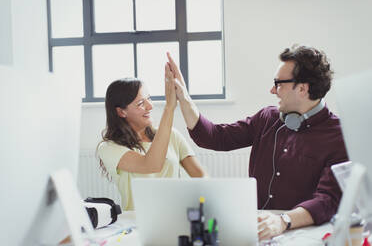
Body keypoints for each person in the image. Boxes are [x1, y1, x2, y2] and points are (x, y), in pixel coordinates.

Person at [165, 45, 348, 240]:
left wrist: (282, 220)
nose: (272, 90)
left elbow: (327, 200)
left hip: (301, 234)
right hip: (258, 231)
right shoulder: (267, 118)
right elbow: (215, 137)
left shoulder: (339, 135)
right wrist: (183, 97)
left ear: (302, 88)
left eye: (278, 84)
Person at [97, 66, 206, 211]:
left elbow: (201, 177)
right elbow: (151, 165)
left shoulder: (172, 135)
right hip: (137, 223)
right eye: (141, 103)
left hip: (175, 217)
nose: (150, 106)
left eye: (149, 98)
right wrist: (169, 108)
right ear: (121, 111)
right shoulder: (109, 148)